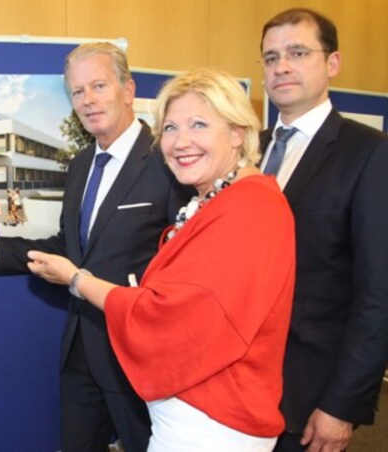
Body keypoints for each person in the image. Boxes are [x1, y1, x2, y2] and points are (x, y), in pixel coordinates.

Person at [26, 68, 296, 451]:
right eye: (170, 128)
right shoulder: (216, 200)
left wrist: (77, 281)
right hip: (189, 411)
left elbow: (169, 317)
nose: (180, 141)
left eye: (199, 124)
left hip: (214, 421)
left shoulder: (250, 208)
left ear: (238, 132)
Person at [0, 42, 191, 451]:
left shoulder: (167, 158)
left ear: (127, 89)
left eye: (98, 86)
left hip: (141, 357)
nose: (88, 100)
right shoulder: (82, 163)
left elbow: (185, 264)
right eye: (78, 91)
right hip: (81, 351)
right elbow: (70, 247)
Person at [259, 8, 388, 451]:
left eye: (297, 52)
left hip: (311, 393)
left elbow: (381, 297)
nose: (281, 66)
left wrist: (342, 405)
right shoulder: (250, 149)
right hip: (242, 385)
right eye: (270, 57)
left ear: (332, 63)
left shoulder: (373, 156)